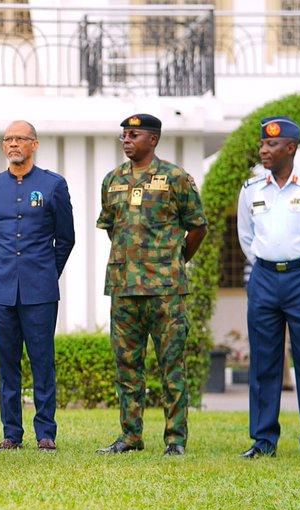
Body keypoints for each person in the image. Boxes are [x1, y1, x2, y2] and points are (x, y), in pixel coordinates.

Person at [96, 114, 207, 456]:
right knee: (127, 368)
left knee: (171, 367)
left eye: (134, 135)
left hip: (165, 291)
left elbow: (198, 226)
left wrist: (174, 260)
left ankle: (175, 439)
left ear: (153, 139)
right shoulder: (112, 180)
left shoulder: (176, 178)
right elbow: (114, 229)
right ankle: (130, 436)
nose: (126, 140)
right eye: (124, 135)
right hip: (124, 288)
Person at [237, 116, 300, 461]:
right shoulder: (251, 189)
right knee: (263, 362)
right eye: (263, 144)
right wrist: (268, 265)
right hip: (264, 278)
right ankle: (263, 440)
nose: (263, 150)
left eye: (272, 144)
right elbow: (246, 238)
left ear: (291, 148)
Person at [0, 121, 74, 452]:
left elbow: (65, 238)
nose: (13, 144)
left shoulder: (53, 185)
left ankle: (46, 432)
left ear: (34, 144)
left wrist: (46, 271)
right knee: (7, 363)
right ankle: (11, 433)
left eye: (20, 138)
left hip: (40, 290)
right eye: (8, 139)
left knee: (42, 361)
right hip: (2, 289)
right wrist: (7, 266)